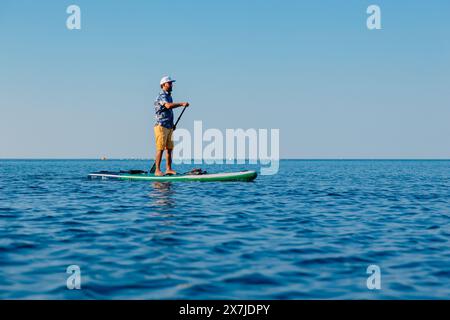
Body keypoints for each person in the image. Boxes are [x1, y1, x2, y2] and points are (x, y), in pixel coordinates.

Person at [153, 76, 189, 176]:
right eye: (169, 83)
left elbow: (169, 111)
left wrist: (172, 124)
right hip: (161, 126)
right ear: (163, 85)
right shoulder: (161, 96)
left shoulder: (169, 96)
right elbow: (168, 106)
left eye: (171, 83)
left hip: (169, 126)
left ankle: (168, 169)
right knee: (160, 148)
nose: (171, 85)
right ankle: (157, 170)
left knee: (169, 148)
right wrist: (181, 104)